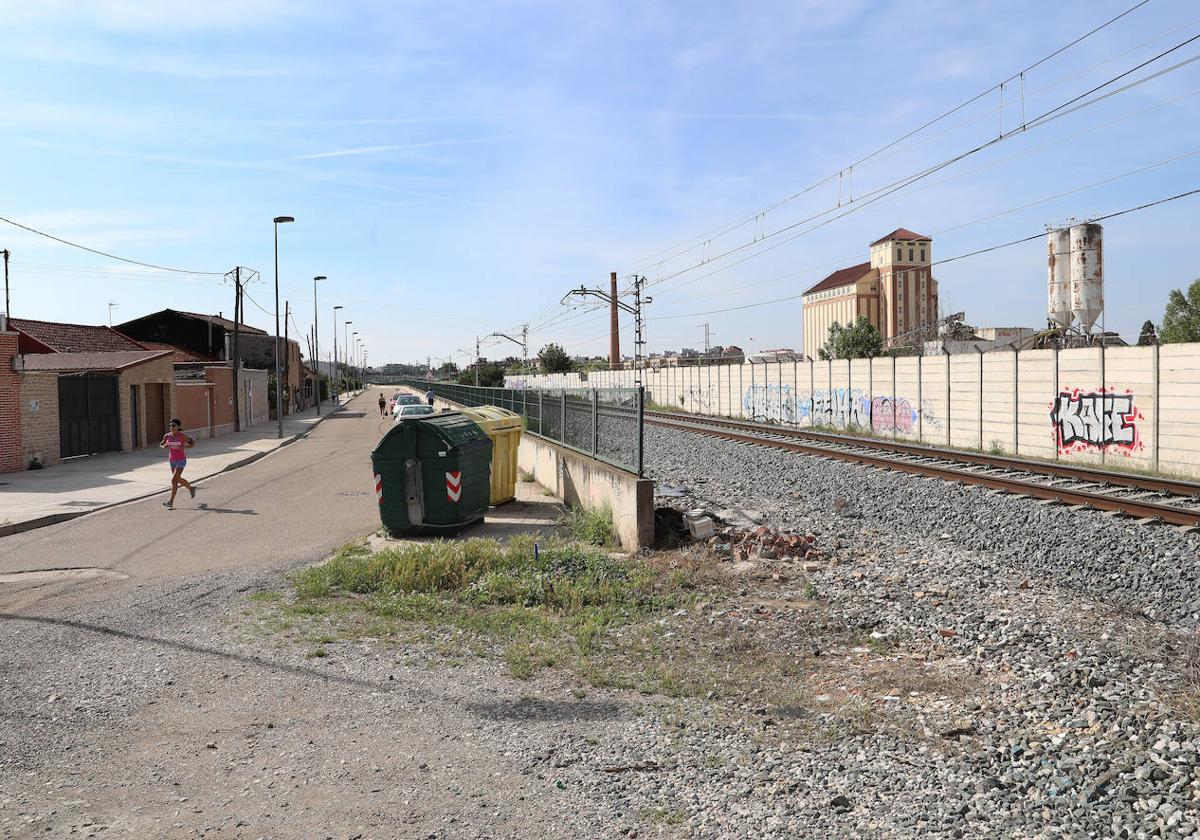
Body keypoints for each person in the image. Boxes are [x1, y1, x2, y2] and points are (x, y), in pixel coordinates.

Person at [160, 419, 196, 509]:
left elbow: (192, 444)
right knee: (178, 479)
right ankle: (191, 488)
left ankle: (171, 502)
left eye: (174, 425)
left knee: (173, 480)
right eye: (170, 425)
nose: (171, 427)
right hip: (172, 460)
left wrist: (184, 446)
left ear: (178, 427)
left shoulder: (182, 436)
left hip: (181, 460)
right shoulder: (167, 436)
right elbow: (161, 444)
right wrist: (164, 446)